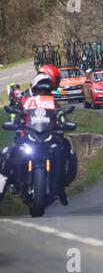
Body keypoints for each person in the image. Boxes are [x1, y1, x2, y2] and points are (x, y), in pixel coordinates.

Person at [0, 65, 77, 205]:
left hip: (49, 136)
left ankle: (61, 185)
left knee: (68, 149)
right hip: (26, 135)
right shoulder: (25, 97)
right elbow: (15, 112)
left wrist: (63, 123)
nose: (46, 88)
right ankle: (5, 185)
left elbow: (60, 113)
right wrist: (16, 123)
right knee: (6, 154)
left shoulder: (51, 99)